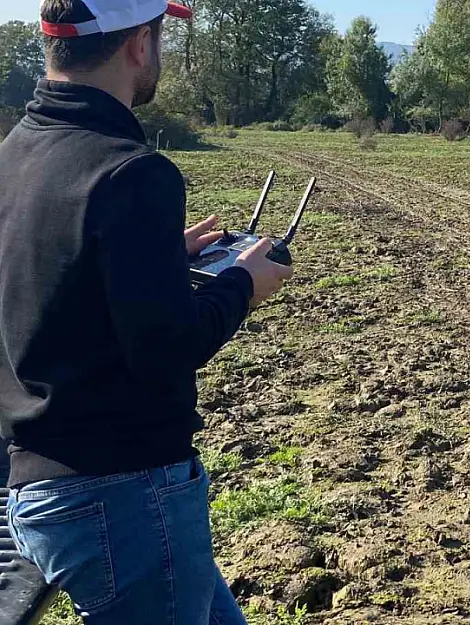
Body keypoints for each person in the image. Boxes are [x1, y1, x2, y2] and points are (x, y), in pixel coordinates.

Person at [0, 0, 293, 622]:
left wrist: (153, 257)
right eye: (159, 37)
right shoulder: (131, 171)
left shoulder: (16, 153)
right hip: (121, 496)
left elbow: (37, 277)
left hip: (40, 478)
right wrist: (241, 284)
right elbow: (165, 348)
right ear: (138, 44)